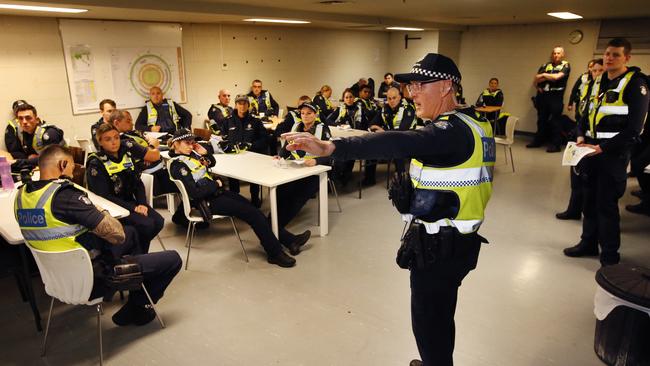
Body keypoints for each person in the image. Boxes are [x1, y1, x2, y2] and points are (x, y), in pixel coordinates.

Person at [283, 53, 494, 366]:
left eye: (421, 84)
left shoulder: (449, 132)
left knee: (427, 321)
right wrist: (420, 200)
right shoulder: (473, 123)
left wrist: (332, 148)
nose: (413, 92)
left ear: (447, 86)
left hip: (440, 247)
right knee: (439, 316)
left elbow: (398, 141)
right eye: (411, 86)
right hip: (456, 240)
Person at [14, 145, 181, 326]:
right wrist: (97, 210)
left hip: (56, 278)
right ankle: (138, 305)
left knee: (132, 232)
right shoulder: (66, 196)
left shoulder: (22, 196)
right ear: (62, 164)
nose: (73, 171)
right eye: (71, 166)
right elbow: (117, 234)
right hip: (91, 278)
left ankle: (133, 286)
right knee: (173, 259)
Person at [563, 38, 649, 266]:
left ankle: (610, 255)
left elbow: (634, 130)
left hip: (612, 156)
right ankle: (587, 243)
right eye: (607, 54)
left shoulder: (635, 84)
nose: (609, 58)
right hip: (589, 152)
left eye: (616, 55)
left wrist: (601, 148)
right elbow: (584, 116)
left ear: (627, 58)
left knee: (606, 205)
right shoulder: (598, 82)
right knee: (589, 202)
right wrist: (580, 136)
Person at [167, 129, 308, 267]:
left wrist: (206, 153)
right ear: (176, 144)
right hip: (207, 202)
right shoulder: (178, 166)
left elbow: (211, 163)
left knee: (254, 210)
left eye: (192, 142)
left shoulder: (191, 155)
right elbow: (196, 193)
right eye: (187, 143)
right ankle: (274, 253)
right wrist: (216, 184)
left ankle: (290, 241)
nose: (191, 146)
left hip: (217, 194)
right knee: (254, 215)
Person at [86, 123, 164, 254]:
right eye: (108, 139)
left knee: (158, 221)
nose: (114, 142)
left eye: (116, 137)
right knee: (147, 225)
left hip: (131, 202)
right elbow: (104, 196)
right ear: (100, 142)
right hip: (112, 208)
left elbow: (137, 183)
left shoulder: (126, 154)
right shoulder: (96, 163)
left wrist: (142, 204)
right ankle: (137, 255)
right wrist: (134, 208)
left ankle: (137, 253)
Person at [556, 59, 604, 220]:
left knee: (592, 183)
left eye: (600, 71)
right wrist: (579, 134)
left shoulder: (606, 90)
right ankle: (573, 210)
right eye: (594, 70)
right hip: (580, 133)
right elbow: (583, 114)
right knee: (575, 175)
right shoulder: (588, 84)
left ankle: (589, 213)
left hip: (599, 142)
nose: (596, 73)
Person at [220, 94, 268, 207]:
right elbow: (222, 139)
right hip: (233, 157)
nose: (242, 106)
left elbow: (265, 138)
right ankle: (235, 201)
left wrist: (251, 146)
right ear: (235, 105)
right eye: (239, 103)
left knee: (254, 179)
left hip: (251, 156)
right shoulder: (228, 121)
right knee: (233, 181)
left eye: (244, 103)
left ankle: (255, 199)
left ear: (248, 105)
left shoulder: (255, 121)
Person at [367, 87, 420, 183]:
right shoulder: (385, 109)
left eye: (394, 98)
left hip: (407, 140)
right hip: (389, 139)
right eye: (389, 98)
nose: (391, 101)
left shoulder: (408, 109)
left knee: (397, 148)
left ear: (400, 97)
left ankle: (401, 180)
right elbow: (372, 124)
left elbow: (401, 131)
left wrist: (383, 131)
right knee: (370, 144)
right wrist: (376, 128)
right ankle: (369, 178)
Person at [529, 46, 571, 152]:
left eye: (558, 53)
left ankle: (555, 145)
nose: (556, 55)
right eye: (554, 53)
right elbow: (536, 79)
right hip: (543, 96)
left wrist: (544, 75)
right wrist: (538, 86)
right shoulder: (545, 65)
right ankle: (538, 141)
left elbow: (557, 77)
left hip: (556, 97)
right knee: (541, 120)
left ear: (562, 55)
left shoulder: (565, 65)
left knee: (555, 121)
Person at [5, 103, 65, 172]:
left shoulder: (49, 133)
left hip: (60, 168)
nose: (24, 122)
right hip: (40, 167)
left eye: (28, 118)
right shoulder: (22, 133)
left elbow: (48, 159)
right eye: (20, 118)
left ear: (37, 120)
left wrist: (18, 162)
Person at [326, 88, 368, 185]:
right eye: (346, 97)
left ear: (354, 98)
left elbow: (365, 124)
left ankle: (346, 176)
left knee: (350, 154)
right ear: (343, 99)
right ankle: (338, 176)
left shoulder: (360, 109)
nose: (348, 99)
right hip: (342, 138)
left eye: (350, 97)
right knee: (339, 155)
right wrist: (339, 125)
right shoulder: (340, 108)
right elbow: (328, 120)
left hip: (356, 138)